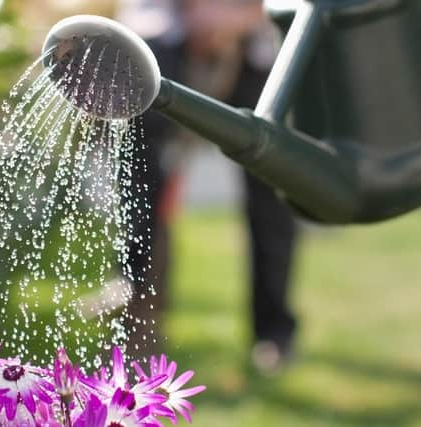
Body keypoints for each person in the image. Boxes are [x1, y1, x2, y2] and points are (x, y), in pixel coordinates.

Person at [118, 0, 299, 373]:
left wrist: (242, 17)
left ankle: (273, 331)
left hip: (255, 44)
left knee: (272, 189)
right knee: (141, 181)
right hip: (165, 37)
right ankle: (139, 313)